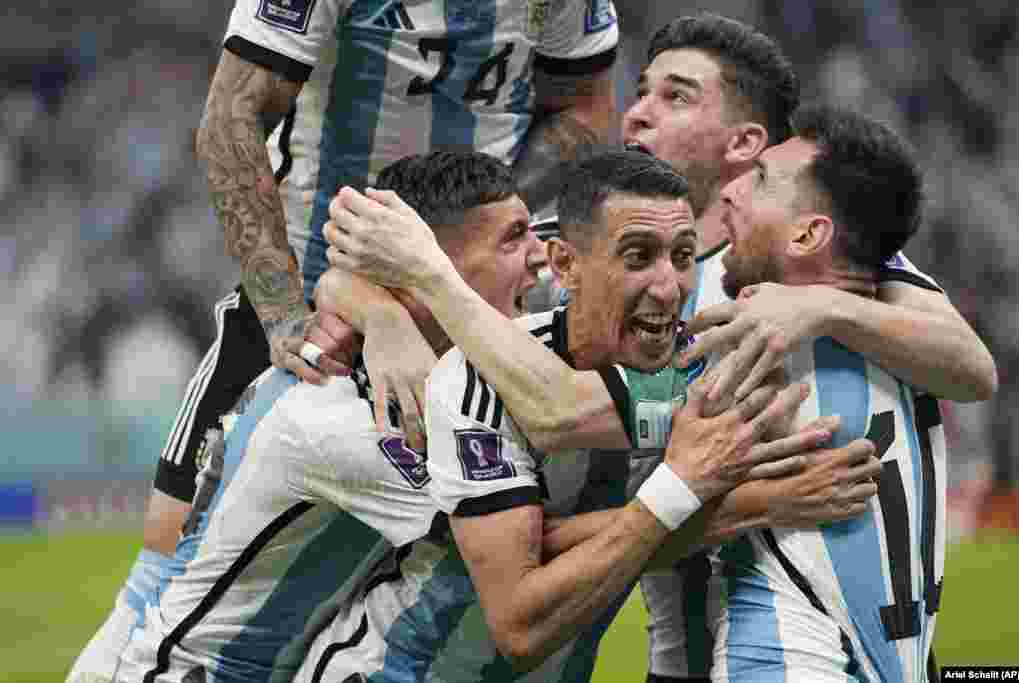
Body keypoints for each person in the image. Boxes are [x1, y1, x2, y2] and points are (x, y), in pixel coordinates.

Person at [318, 13, 996, 682]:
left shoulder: (800, 260)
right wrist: (383, 315)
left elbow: (971, 364)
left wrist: (821, 304)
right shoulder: (586, 248)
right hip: (676, 634)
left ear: (745, 144)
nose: (636, 112)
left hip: (797, 634)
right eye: (640, 91)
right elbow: (353, 266)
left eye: (675, 97)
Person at [67, 1, 621, 681]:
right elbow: (230, 117)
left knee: (439, 576)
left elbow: (585, 113)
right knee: (169, 570)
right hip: (303, 305)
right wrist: (288, 317)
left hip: (463, 305)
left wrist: (482, 220)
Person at [295, 149, 882, 682]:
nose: (669, 285)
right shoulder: (473, 381)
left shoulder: (696, 370)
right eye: (638, 257)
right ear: (566, 266)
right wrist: (725, 499)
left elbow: (563, 536)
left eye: (682, 257)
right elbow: (521, 625)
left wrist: (832, 306)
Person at [113, 151, 543, 682]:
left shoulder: (371, 363)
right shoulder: (337, 410)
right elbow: (506, 535)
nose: (540, 254)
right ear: (423, 266)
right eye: (514, 237)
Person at [710, 102, 948, 682]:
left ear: (810, 233)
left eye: (761, 178)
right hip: (785, 648)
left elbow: (980, 372)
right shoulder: (904, 327)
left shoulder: (903, 320)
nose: (732, 191)